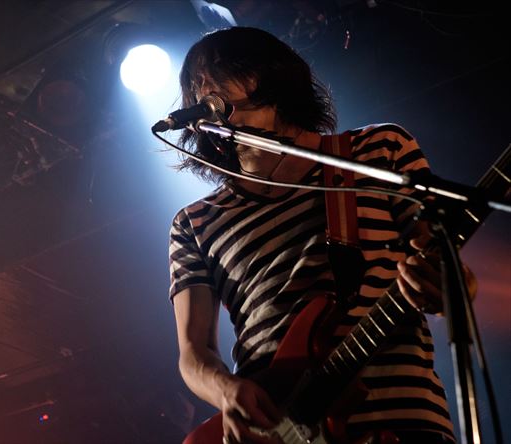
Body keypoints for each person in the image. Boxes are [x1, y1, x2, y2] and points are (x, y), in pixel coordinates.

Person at [168, 27, 476, 444]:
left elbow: (441, 264)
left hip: (401, 419)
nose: (206, 89)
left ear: (271, 73)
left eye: (221, 72)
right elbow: (194, 353)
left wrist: (451, 285)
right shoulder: (194, 222)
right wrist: (226, 390)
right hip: (276, 430)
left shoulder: (377, 151)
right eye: (196, 83)